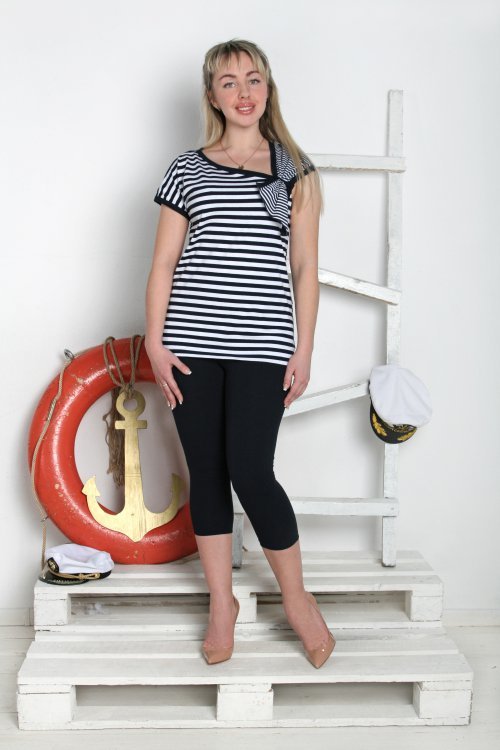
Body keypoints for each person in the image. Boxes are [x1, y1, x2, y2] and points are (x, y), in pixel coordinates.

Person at [145, 39, 335, 668]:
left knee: (251, 472)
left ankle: (297, 600)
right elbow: (165, 263)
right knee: (208, 473)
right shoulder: (186, 169)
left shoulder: (293, 170)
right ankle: (220, 603)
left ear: (268, 88)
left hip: (263, 346)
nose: (244, 92)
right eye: (229, 82)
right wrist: (154, 341)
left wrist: (304, 349)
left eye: (253, 79)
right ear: (212, 96)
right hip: (191, 347)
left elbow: (304, 268)